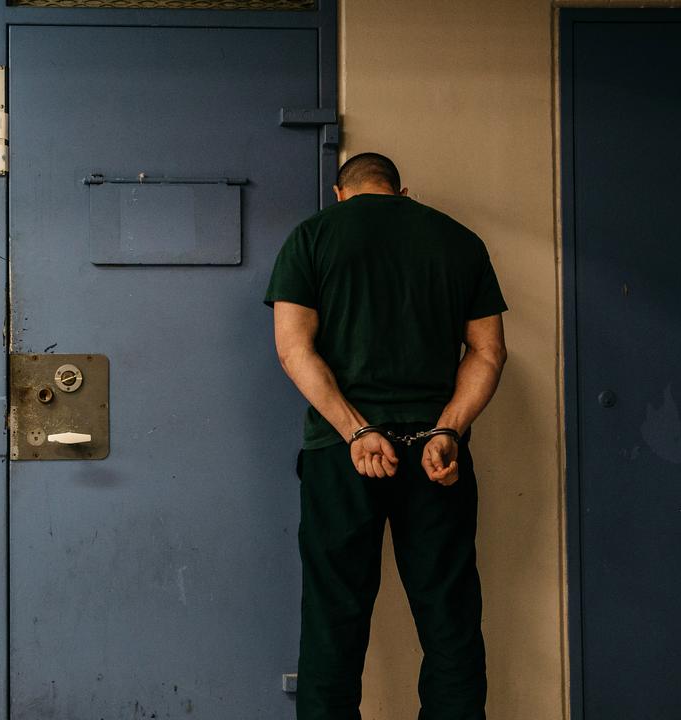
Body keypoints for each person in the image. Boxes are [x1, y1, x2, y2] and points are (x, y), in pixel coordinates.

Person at [264, 152, 508, 720]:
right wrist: (448, 428)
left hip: (342, 456)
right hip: (436, 457)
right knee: (450, 619)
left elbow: (293, 348)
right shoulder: (458, 240)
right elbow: (488, 352)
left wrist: (357, 431)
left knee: (334, 620)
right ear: (402, 191)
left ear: (340, 192)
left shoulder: (312, 237)